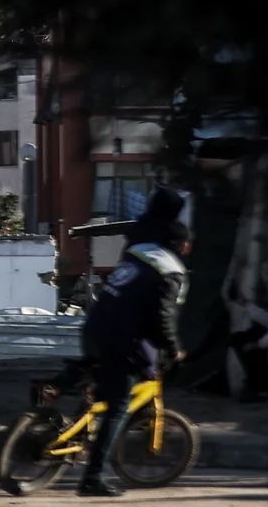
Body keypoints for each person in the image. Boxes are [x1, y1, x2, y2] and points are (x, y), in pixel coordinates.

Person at [75, 189, 192, 498]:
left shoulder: (138, 245)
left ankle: (64, 433)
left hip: (96, 323)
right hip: (122, 337)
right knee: (118, 406)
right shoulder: (171, 271)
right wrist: (173, 347)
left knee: (98, 383)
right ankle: (93, 477)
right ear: (182, 246)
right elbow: (161, 316)